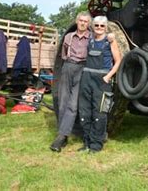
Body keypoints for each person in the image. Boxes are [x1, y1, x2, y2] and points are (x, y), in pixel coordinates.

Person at [78, 15, 121, 153]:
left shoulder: (110, 41)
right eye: (96, 25)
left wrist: (108, 76)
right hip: (87, 78)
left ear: (106, 27)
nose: (99, 28)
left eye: (102, 26)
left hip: (102, 80)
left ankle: (96, 145)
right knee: (85, 111)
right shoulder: (89, 39)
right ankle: (86, 142)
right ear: (93, 26)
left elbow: (118, 61)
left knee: (100, 112)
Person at [50, 11, 91, 152]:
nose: (83, 23)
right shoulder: (68, 37)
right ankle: (63, 136)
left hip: (82, 68)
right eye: (81, 20)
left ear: (88, 24)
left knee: (73, 105)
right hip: (67, 67)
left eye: (86, 21)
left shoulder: (91, 38)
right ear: (77, 21)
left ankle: (61, 136)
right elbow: (63, 54)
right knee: (62, 103)